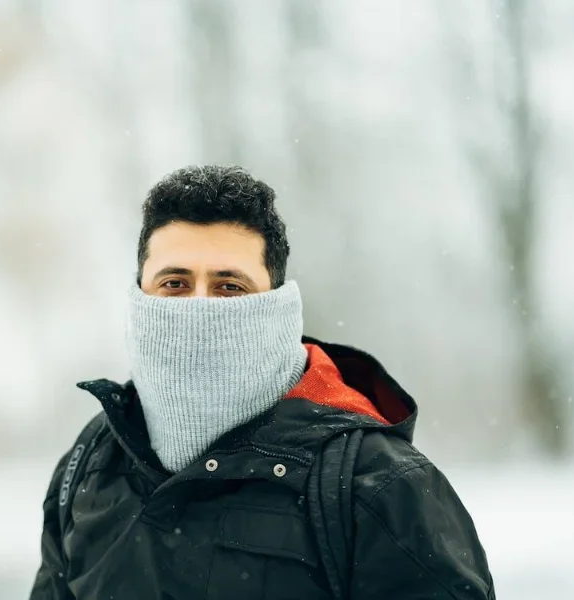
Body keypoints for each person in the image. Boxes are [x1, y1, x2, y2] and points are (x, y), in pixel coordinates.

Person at [30, 165, 495, 599]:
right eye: (174, 283)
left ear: (277, 305)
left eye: (229, 287)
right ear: (140, 296)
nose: (199, 308)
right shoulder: (91, 464)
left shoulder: (378, 485)